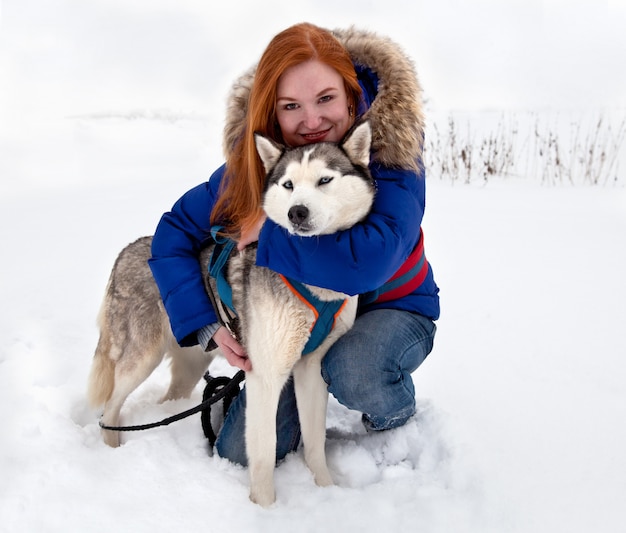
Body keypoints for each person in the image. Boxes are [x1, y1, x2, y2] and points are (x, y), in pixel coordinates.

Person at [149, 23, 440, 465]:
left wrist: (268, 233)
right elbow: (173, 235)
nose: (311, 120)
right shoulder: (263, 166)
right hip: (304, 315)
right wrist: (205, 323)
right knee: (239, 452)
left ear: (349, 94)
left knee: (351, 369)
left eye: (325, 98)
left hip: (393, 306)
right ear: (272, 112)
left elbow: (368, 261)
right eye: (291, 106)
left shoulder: (389, 155)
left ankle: (391, 413)